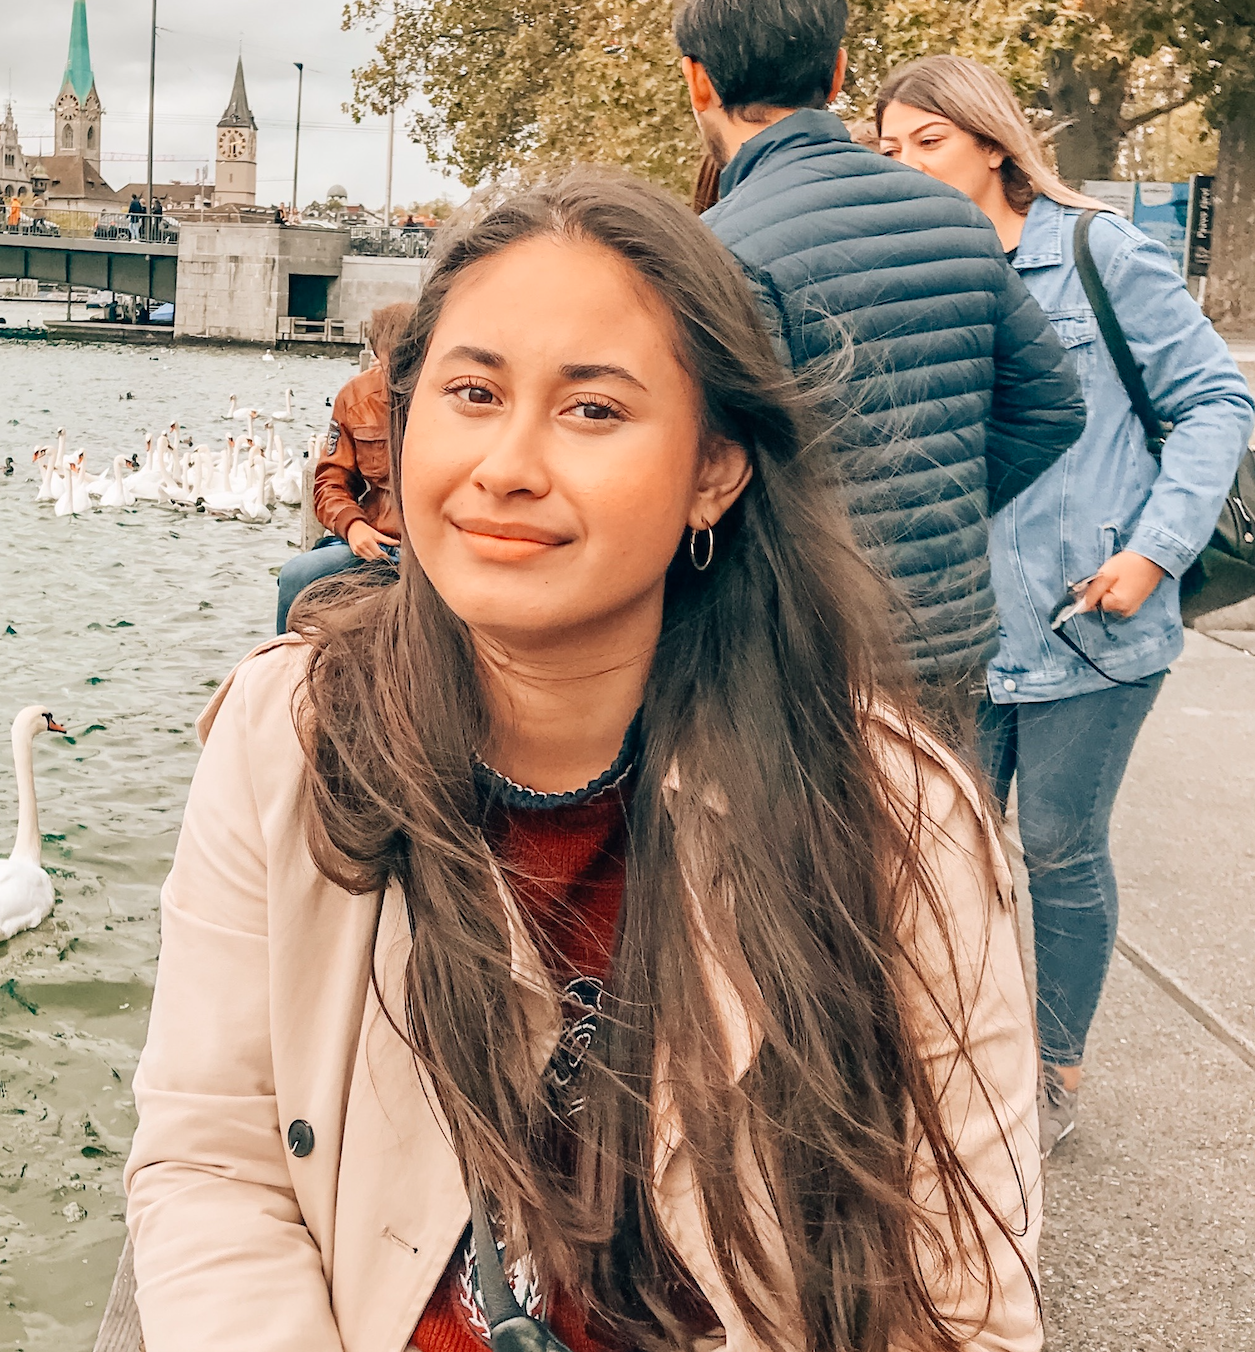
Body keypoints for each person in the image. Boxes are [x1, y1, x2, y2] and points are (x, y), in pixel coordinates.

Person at [126, 169, 1040, 1352]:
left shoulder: (896, 813)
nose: (506, 463)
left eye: (593, 409)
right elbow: (213, 1156)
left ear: (716, 467)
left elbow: (963, 1293)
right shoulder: (284, 738)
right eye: (471, 391)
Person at [877, 56, 1255, 1156]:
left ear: (992, 143)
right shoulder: (922, 273)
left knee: (1057, 842)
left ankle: (1051, 1069)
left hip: (1093, 618)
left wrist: (1152, 551)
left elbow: (1214, 400)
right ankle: (949, 1053)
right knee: (943, 849)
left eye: (927, 142)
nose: (905, 166)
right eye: (890, 150)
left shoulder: (1099, 249)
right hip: (956, 622)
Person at [674, 0, 1086, 731]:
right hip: (946, 639)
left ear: (697, 81)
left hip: (794, 643)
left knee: (795, 848)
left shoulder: (713, 250)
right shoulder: (953, 218)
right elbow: (1053, 406)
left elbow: (706, 465)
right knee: (938, 838)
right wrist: (939, 509)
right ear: (835, 74)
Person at [274, 301, 413, 633]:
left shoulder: (455, 395)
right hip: (377, 543)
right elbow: (330, 482)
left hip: (438, 549)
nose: (403, 378)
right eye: (393, 365)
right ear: (377, 355)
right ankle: (279, 672)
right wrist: (354, 527)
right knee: (295, 577)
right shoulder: (355, 396)